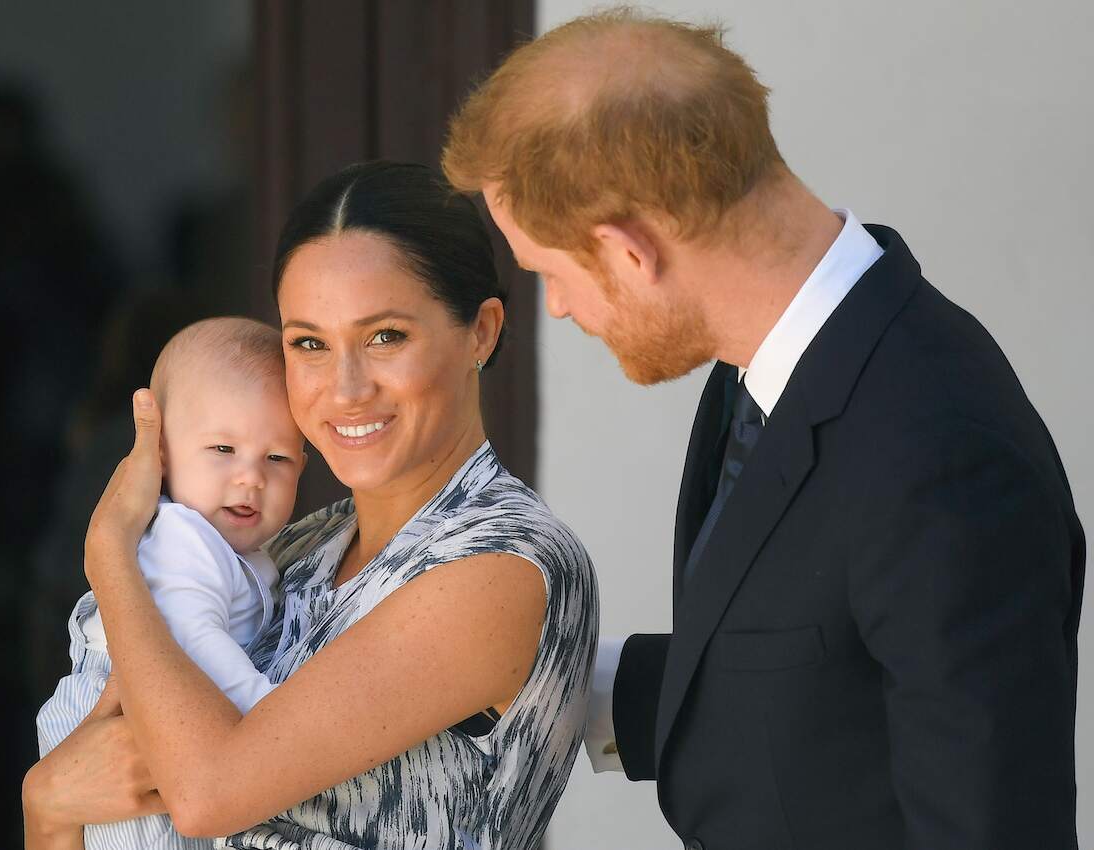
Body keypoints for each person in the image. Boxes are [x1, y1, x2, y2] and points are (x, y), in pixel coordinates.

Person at [442, 9, 1085, 850]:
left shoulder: (941, 453)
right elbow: (810, 675)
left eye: (550, 275)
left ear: (630, 251)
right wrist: (521, 673)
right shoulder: (771, 364)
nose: (558, 307)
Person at [22, 161, 599, 850]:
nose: (346, 389)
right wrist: (46, 806)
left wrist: (110, 553)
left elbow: (206, 795)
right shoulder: (289, 551)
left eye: (386, 336)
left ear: (481, 331)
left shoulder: (501, 563)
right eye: (310, 344)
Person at [35, 317, 305, 849]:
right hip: (119, 726)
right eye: (223, 450)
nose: (251, 477)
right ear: (159, 455)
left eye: (277, 458)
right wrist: (271, 721)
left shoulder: (246, 552)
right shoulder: (185, 537)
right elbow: (194, 641)